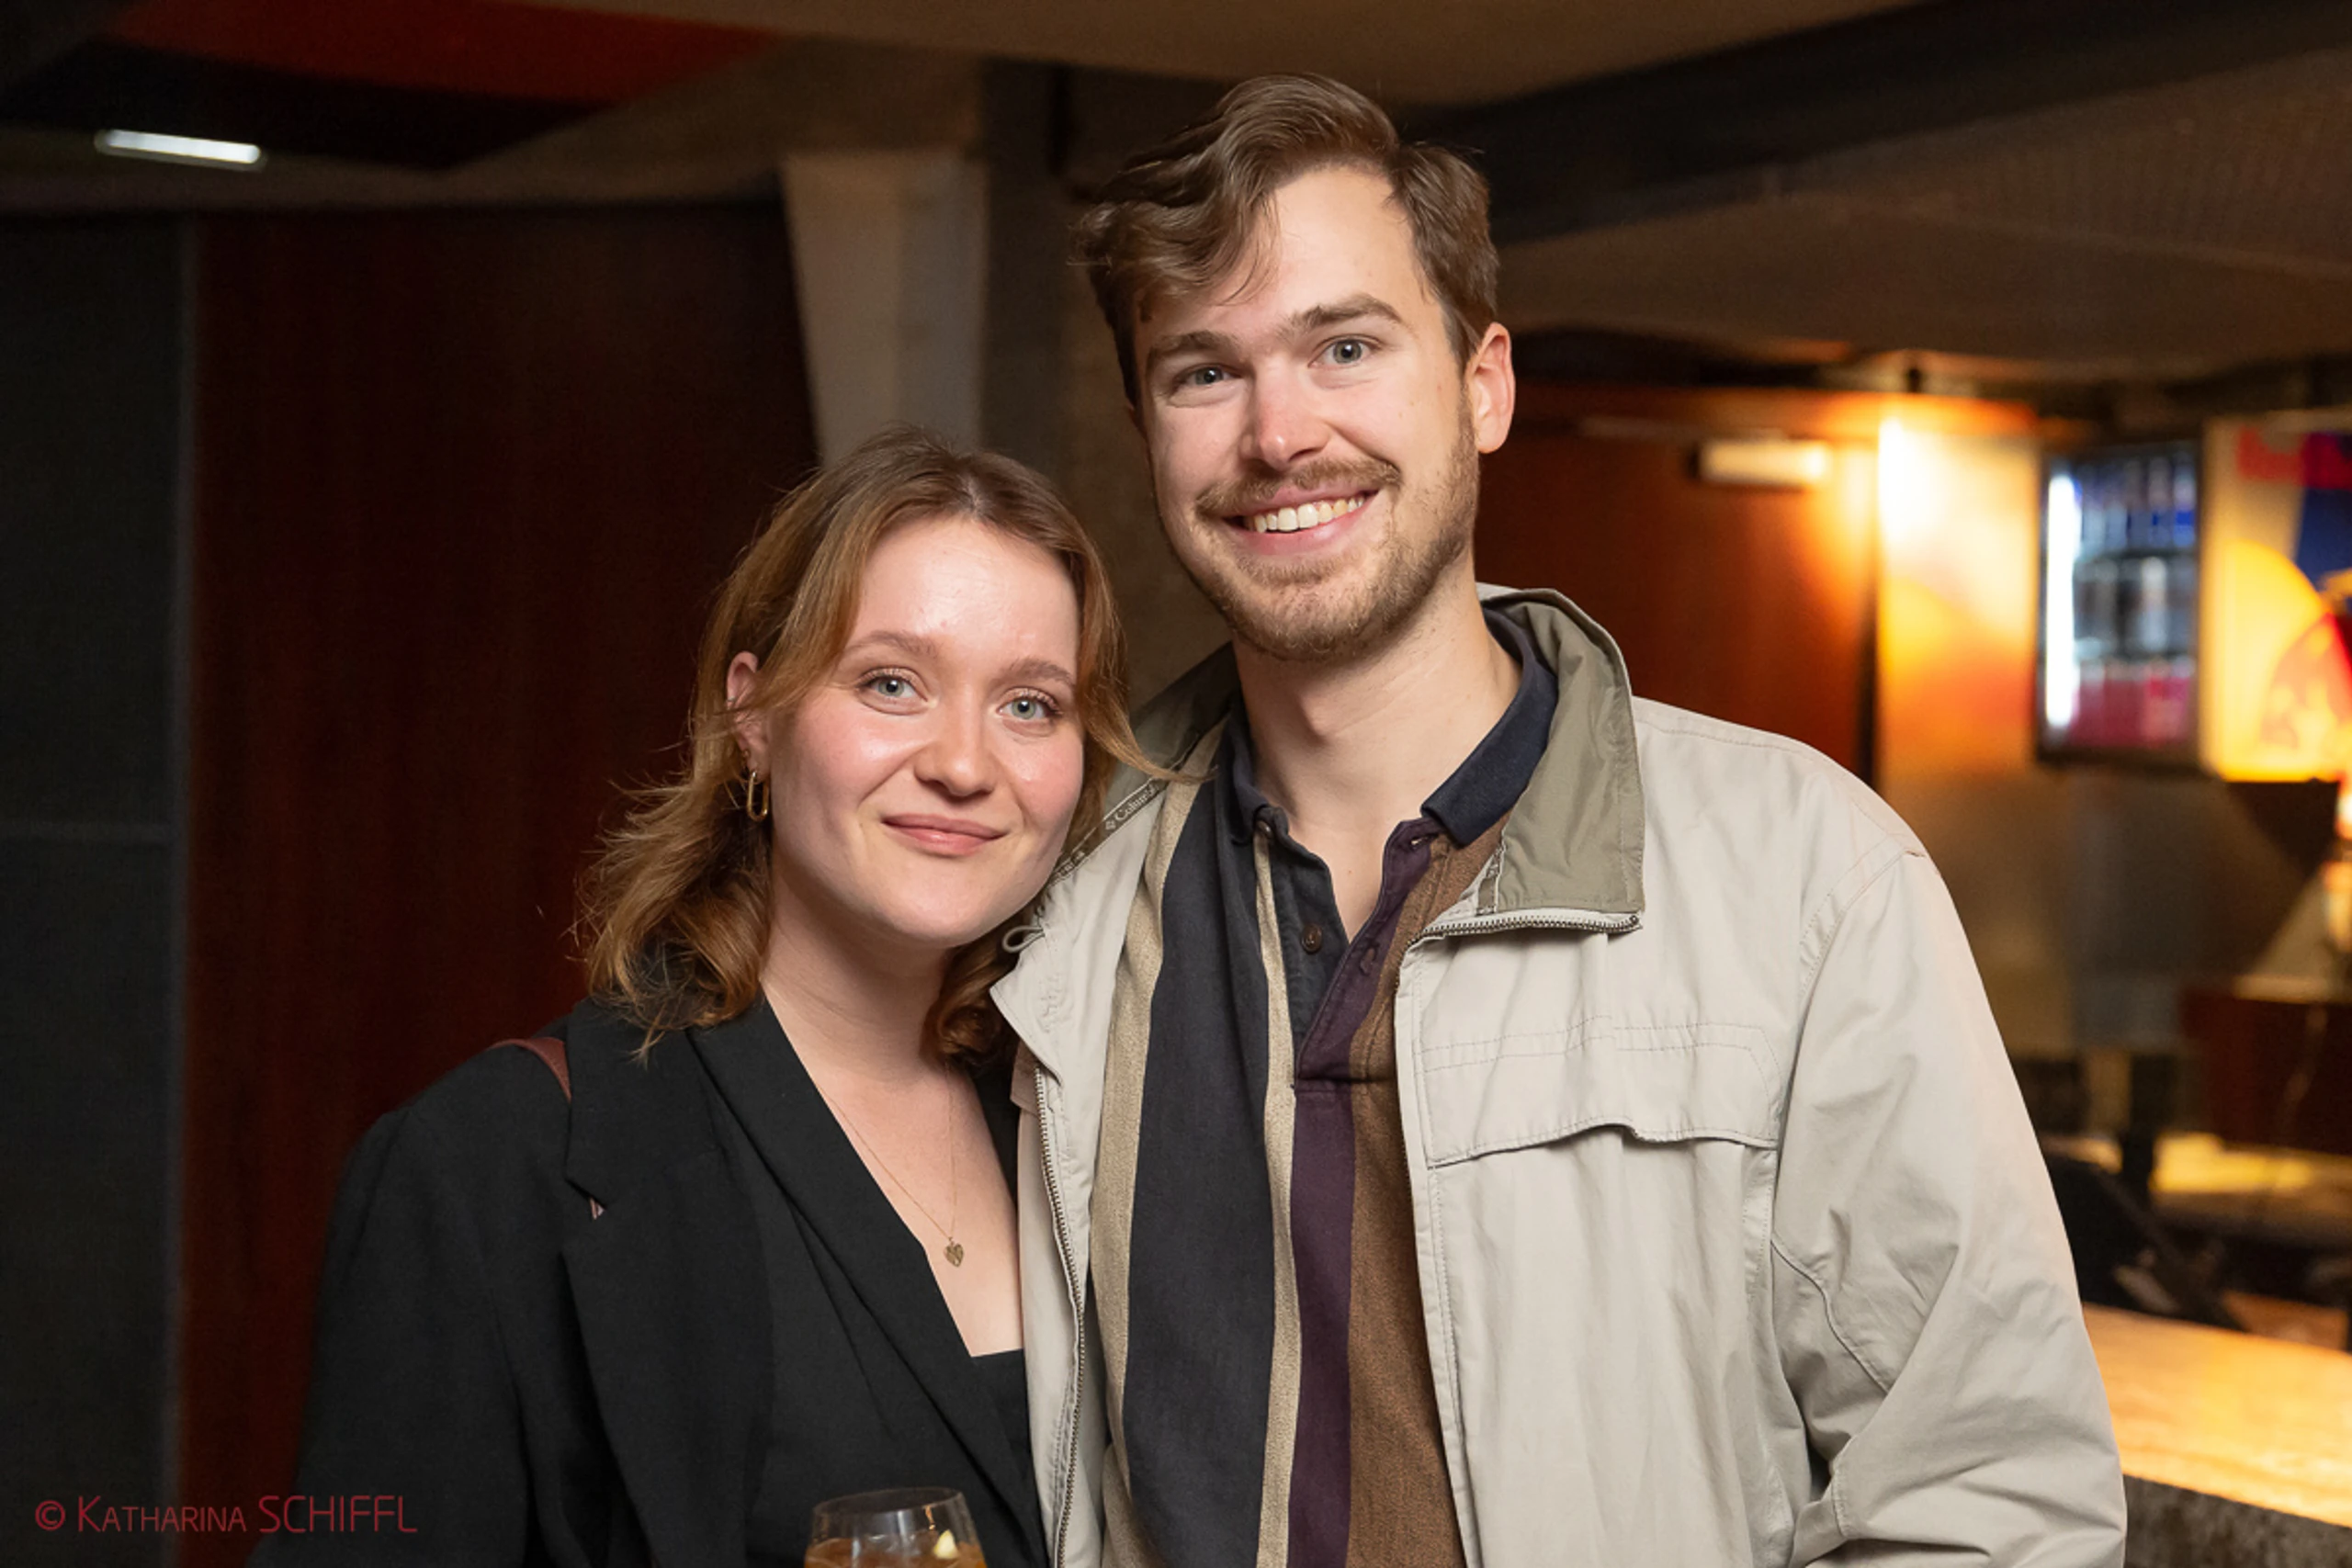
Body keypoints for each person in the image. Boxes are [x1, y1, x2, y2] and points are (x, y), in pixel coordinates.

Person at [991, 76, 2128, 1567]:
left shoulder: (1805, 875)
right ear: (1146, 425)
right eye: (1205, 371)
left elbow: (1991, 1499)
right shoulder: (1065, 896)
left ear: (1484, 384)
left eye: (1346, 346)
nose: (1280, 432)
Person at [263, 428, 1148, 1568]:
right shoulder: (489, 1166)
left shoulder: (1099, 1118)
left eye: (1030, 705)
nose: (965, 764)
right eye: (891, 683)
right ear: (754, 718)